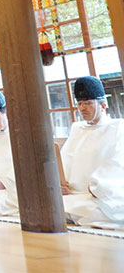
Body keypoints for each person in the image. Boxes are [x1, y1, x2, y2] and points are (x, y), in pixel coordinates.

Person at [59, 76, 124, 229]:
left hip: (101, 196)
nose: (82, 108)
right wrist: (60, 183)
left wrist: (99, 186)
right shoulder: (77, 129)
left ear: (103, 104)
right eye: (80, 103)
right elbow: (64, 160)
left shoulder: (117, 127)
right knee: (49, 205)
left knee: (91, 211)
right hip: (73, 195)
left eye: (88, 103)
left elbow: (118, 163)